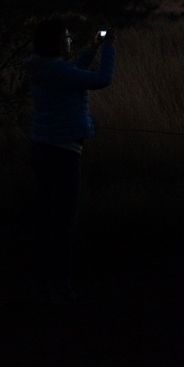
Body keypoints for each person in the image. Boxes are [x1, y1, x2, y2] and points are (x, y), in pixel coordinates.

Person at [22, 18, 117, 299]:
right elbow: (103, 79)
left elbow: (72, 73)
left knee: (45, 220)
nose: (69, 41)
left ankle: (39, 281)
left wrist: (92, 50)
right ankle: (59, 285)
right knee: (63, 223)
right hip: (63, 153)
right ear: (56, 42)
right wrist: (109, 48)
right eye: (66, 37)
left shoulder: (40, 67)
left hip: (43, 147)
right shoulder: (55, 70)